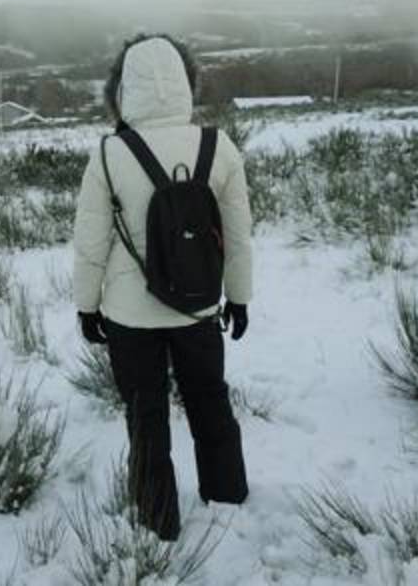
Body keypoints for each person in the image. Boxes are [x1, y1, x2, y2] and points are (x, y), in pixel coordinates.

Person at [72, 33, 253, 541]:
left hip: (131, 317)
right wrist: (238, 298)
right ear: (185, 83)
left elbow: (91, 244)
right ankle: (227, 497)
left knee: (145, 418)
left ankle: (158, 520)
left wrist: (88, 306)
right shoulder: (219, 149)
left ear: (122, 89)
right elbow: (238, 240)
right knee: (210, 402)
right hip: (199, 307)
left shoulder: (109, 154)